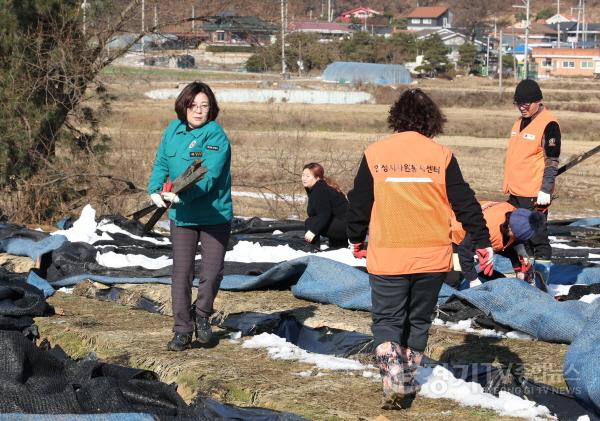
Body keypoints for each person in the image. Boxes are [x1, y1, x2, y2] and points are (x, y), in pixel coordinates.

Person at [346, 88, 492, 409]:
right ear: (432, 120)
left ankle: (393, 376)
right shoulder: (441, 156)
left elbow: (358, 202)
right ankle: (407, 381)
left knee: (387, 319)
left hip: (389, 255)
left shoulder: (376, 154)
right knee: (419, 320)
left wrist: (355, 236)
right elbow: (465, 202)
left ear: (395, 117)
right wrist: (482, 240)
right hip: (432, 256)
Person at [147, 81, 232, 351]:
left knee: (211, 272)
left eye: (204, 106)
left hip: (213, 214)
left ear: (211, 109)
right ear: (184, 106)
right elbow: (161, 162)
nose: (198, 110)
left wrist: (183, 195)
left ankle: (203, 314)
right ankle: (182, 330)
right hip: (182, 216)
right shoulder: (173, 130)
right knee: (181, 273)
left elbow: (208, 177)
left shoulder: (216, 136)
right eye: (193, 105)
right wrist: (155, 189)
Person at [503, 79, 561, 265]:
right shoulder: (519, 122)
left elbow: (551, 161)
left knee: (537, 238)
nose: (522, 107)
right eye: (518, 103)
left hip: (534, 195)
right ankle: (525, 277)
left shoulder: (549, 124)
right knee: (517, 237)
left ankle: (542, 281)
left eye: (526, 103)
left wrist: (545, 189)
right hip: (515, 192)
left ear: (538, 101)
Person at [452, 201, 545, 288]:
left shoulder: (516, 215)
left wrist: (518, 269)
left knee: (499, 279)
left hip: (477, 236)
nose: (516, 240)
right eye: (516, 236)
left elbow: (508, 245)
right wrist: (473, 280)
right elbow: (463, 252)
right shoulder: (484, 228)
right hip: (454, 235)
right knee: (454, 280)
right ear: (510, 228)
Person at [302, 163, 349, 248]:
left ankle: (312, 250)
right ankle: (339, 245)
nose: (304, 178)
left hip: (345, 228)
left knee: (311, 222)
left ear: (317, 178)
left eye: (308, 176)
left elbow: (324, 214)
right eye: (303, 175)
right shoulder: (319, 187)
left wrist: (313, 230)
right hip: (345, 226)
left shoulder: (320, 190)